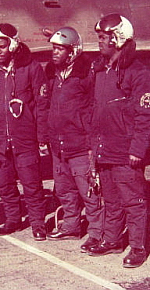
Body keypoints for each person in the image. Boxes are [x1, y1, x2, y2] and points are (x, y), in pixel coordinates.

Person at [88, 14, 150, 268]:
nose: (99, 43)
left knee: (133, 201)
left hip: (126, 152)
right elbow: (96, 111)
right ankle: (112, 241)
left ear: (118, 39)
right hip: (105, 150)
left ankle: (138, 248)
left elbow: (146, 114)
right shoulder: (101, 70)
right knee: (111, 200)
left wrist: (137, 149)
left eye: (103, 38)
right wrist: (93, 148)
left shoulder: (137, 72)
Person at [0, 23, 48, 241]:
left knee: (32, 184)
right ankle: (13, 220)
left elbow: (42, 104)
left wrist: (41, 136)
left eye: (2, 47)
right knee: (4, 184)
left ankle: (38, 224)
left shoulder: (31, 68)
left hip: (24, 138)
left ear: (13, 45)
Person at [45, 27, 105, 254]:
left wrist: (92, 143)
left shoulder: (86, 74)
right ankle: (71, 226)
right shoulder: (52, 72)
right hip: (58, 144)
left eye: (60, 49)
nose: (55, 53)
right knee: (64, 189)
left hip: (80, 144)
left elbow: (94, 107)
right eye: (54, 48)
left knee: (89, 192)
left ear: (72, 51)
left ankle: (97, 233)